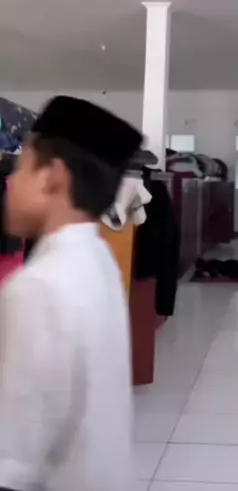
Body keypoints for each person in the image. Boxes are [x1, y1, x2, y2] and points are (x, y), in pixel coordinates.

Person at [0, 96, 142, 491]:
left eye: (21, 168)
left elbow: (12, 456)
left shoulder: (38, 287)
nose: (11, 184)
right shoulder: (99, 258)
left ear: (52, 177)